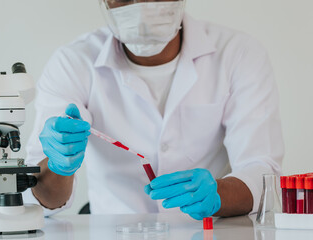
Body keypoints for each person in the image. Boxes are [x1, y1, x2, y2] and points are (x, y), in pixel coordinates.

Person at [23, 0, 284, 219]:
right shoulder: (73, 62)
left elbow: (263, 174)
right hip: (113, 230)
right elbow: (42, 199)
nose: (140, 7)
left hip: (206, 230)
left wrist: (219, 193)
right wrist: (58, 165)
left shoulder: (238, 54)